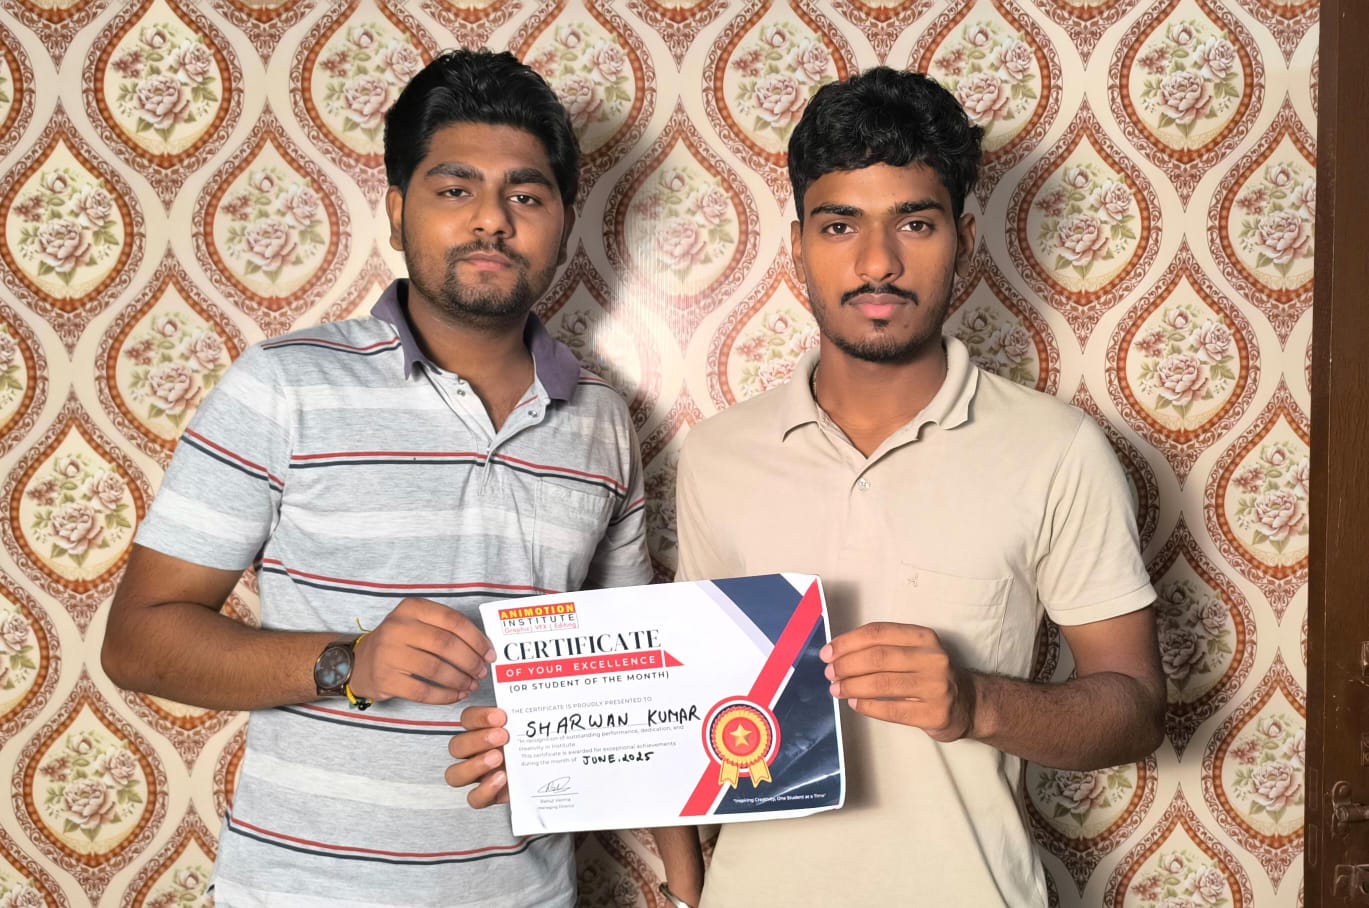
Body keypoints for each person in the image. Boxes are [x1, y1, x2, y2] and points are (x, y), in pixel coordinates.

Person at [449, 66, 1165, 907]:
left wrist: (978, 703)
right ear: (797, 246)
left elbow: (1135, 711)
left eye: (915, 223)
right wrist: (547, 738)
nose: (876, 262)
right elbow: (680, 709)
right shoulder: (718, 454)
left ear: (965, 240)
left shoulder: (1057, 450)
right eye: (838, 225)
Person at [102, 49, 688, 907]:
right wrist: (350, 663)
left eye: (526, 197)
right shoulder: (284, 385)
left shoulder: (601, 420)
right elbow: (137, 641)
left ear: (563, 224)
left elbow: (633, 679)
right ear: (396, 210)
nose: (491, 220)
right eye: (454, 189)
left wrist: (687, 882)